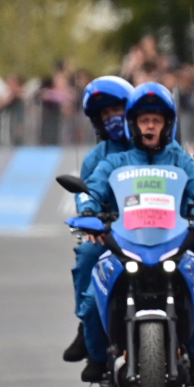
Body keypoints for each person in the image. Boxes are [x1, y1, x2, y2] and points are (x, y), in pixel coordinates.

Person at [78, 83, 194, 384]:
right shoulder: (113, 160)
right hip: (125, 238)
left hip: (176, 235)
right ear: (133, 124)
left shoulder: (180, 158)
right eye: (144, 120)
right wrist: (87, 212)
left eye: (156, 120)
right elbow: (91, 191)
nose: (150, 126)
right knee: (92, 280)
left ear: (168, 125)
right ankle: (94, 352)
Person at [62, 76, 135, 367]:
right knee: (87, 255)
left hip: (158, 231)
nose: (112, 118)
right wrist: (90, 216)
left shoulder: (158, 147)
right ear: (97, 122)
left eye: (116, 109)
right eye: (105, 114)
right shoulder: (96, 158)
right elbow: (86, 192)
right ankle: (89, 332)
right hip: (110, 235)